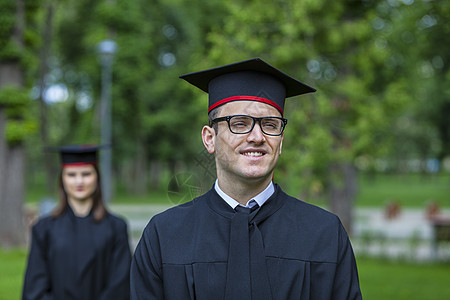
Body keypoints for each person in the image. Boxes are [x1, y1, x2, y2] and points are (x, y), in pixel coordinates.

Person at [130, 58, 362, 299]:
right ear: (210, 138)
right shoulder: (165, 235)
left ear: (280, 142)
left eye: (270, 125)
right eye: (239, 123)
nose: (257, 137)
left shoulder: (324, 234)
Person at [22, 145, 131, 300]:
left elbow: (120, 284)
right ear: (62, 179)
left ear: (97, 177)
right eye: (71, 175)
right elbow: (35, 287)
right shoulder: (44, 229)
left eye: (86, 174)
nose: (79, 181)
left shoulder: (116, 228)